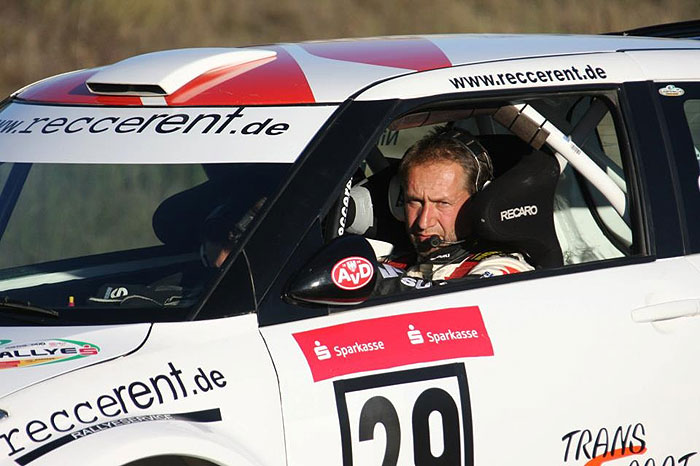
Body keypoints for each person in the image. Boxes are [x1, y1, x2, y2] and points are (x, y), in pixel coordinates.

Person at [378, 127, 533, 291]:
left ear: (478, 204)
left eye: (442, 203)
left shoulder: (506, 268)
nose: (423, 222)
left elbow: (456, 300)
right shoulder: (394, 263)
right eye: (415, 201)